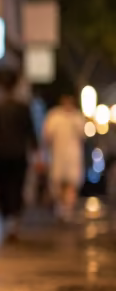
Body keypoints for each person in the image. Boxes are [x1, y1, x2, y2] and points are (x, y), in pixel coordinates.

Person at [0, 70, 38, 241]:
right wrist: (36, 153)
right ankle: (13, 222)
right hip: (18, 154)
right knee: (16, 187)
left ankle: (7, 220)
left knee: (3, 187)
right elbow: (32, 135)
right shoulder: (23, 109)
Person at [41, 92, 87, 220]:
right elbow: (47, 135)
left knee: (72, 182)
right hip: (57, 155)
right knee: (58, 183)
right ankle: (61, 207)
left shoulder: (77, 117)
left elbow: (83, 134)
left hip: (73, 156)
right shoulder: (54, 116)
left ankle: (67, 209)